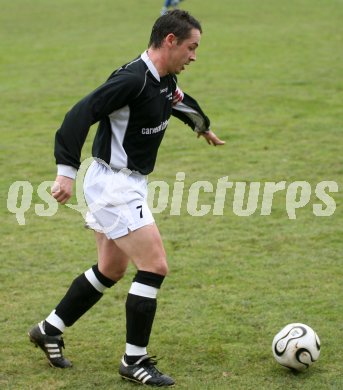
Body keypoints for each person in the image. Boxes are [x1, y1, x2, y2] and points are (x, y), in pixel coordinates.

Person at [28, 9, 224, 387]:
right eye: (191, 47)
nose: (194, 56)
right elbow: (79, 113)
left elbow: (179, 101)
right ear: (170, 42)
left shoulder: (165, 79)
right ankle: (134, 360)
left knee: (111, 269)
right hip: (112, 186)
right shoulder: (132, 79)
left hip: (123, 184)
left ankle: (48, 329)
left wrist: (203, 127)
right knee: (155, 266)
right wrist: (64, 173)